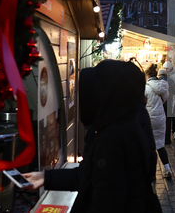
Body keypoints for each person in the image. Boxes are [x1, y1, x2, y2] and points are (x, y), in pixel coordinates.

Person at [22, 60, 158, 212]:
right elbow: (90, 175)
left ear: (106, 95)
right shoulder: (127, 122)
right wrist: (46, 178)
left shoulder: (112, 137)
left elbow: (106, 200)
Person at [145, 64, 172, 179]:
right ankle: (167, 169)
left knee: (149, 146)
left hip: (149, 118)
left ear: (147, 75)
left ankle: (151, 173)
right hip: (160, 117)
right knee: (160, 145)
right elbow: (165, 98)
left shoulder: (145, 87)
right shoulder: (163, 85)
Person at [163, 60, 175, 141]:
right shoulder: (163, 75)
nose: (166, 70)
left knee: (174, 116)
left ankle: (174, 132)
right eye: (165, 68)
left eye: (167, 68)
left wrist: (172, 82)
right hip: (165, 99)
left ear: (170, 68)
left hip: (174, 98)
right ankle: (165, 132)